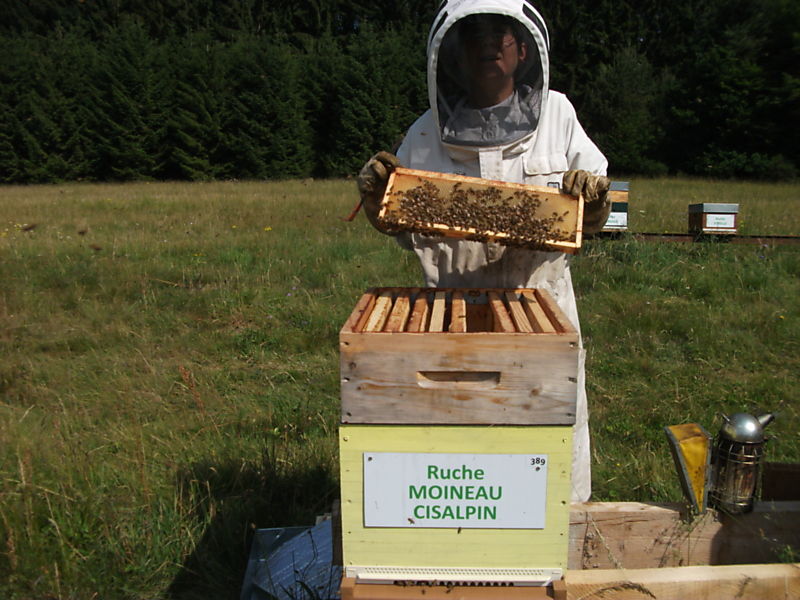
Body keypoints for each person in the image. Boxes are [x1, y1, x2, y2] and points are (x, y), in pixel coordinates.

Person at [356, 0, 609, 503]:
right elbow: (397, 224)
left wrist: (594, 202)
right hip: (448, 312)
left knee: (545, 446)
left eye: (502, 35)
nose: (490, 45)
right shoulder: (425, 131)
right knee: (462, 451)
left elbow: (592, 217)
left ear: (522, 50)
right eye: (476, 36)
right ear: (454, 53)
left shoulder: (557, 114)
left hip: (541, 306)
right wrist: (373, 199)